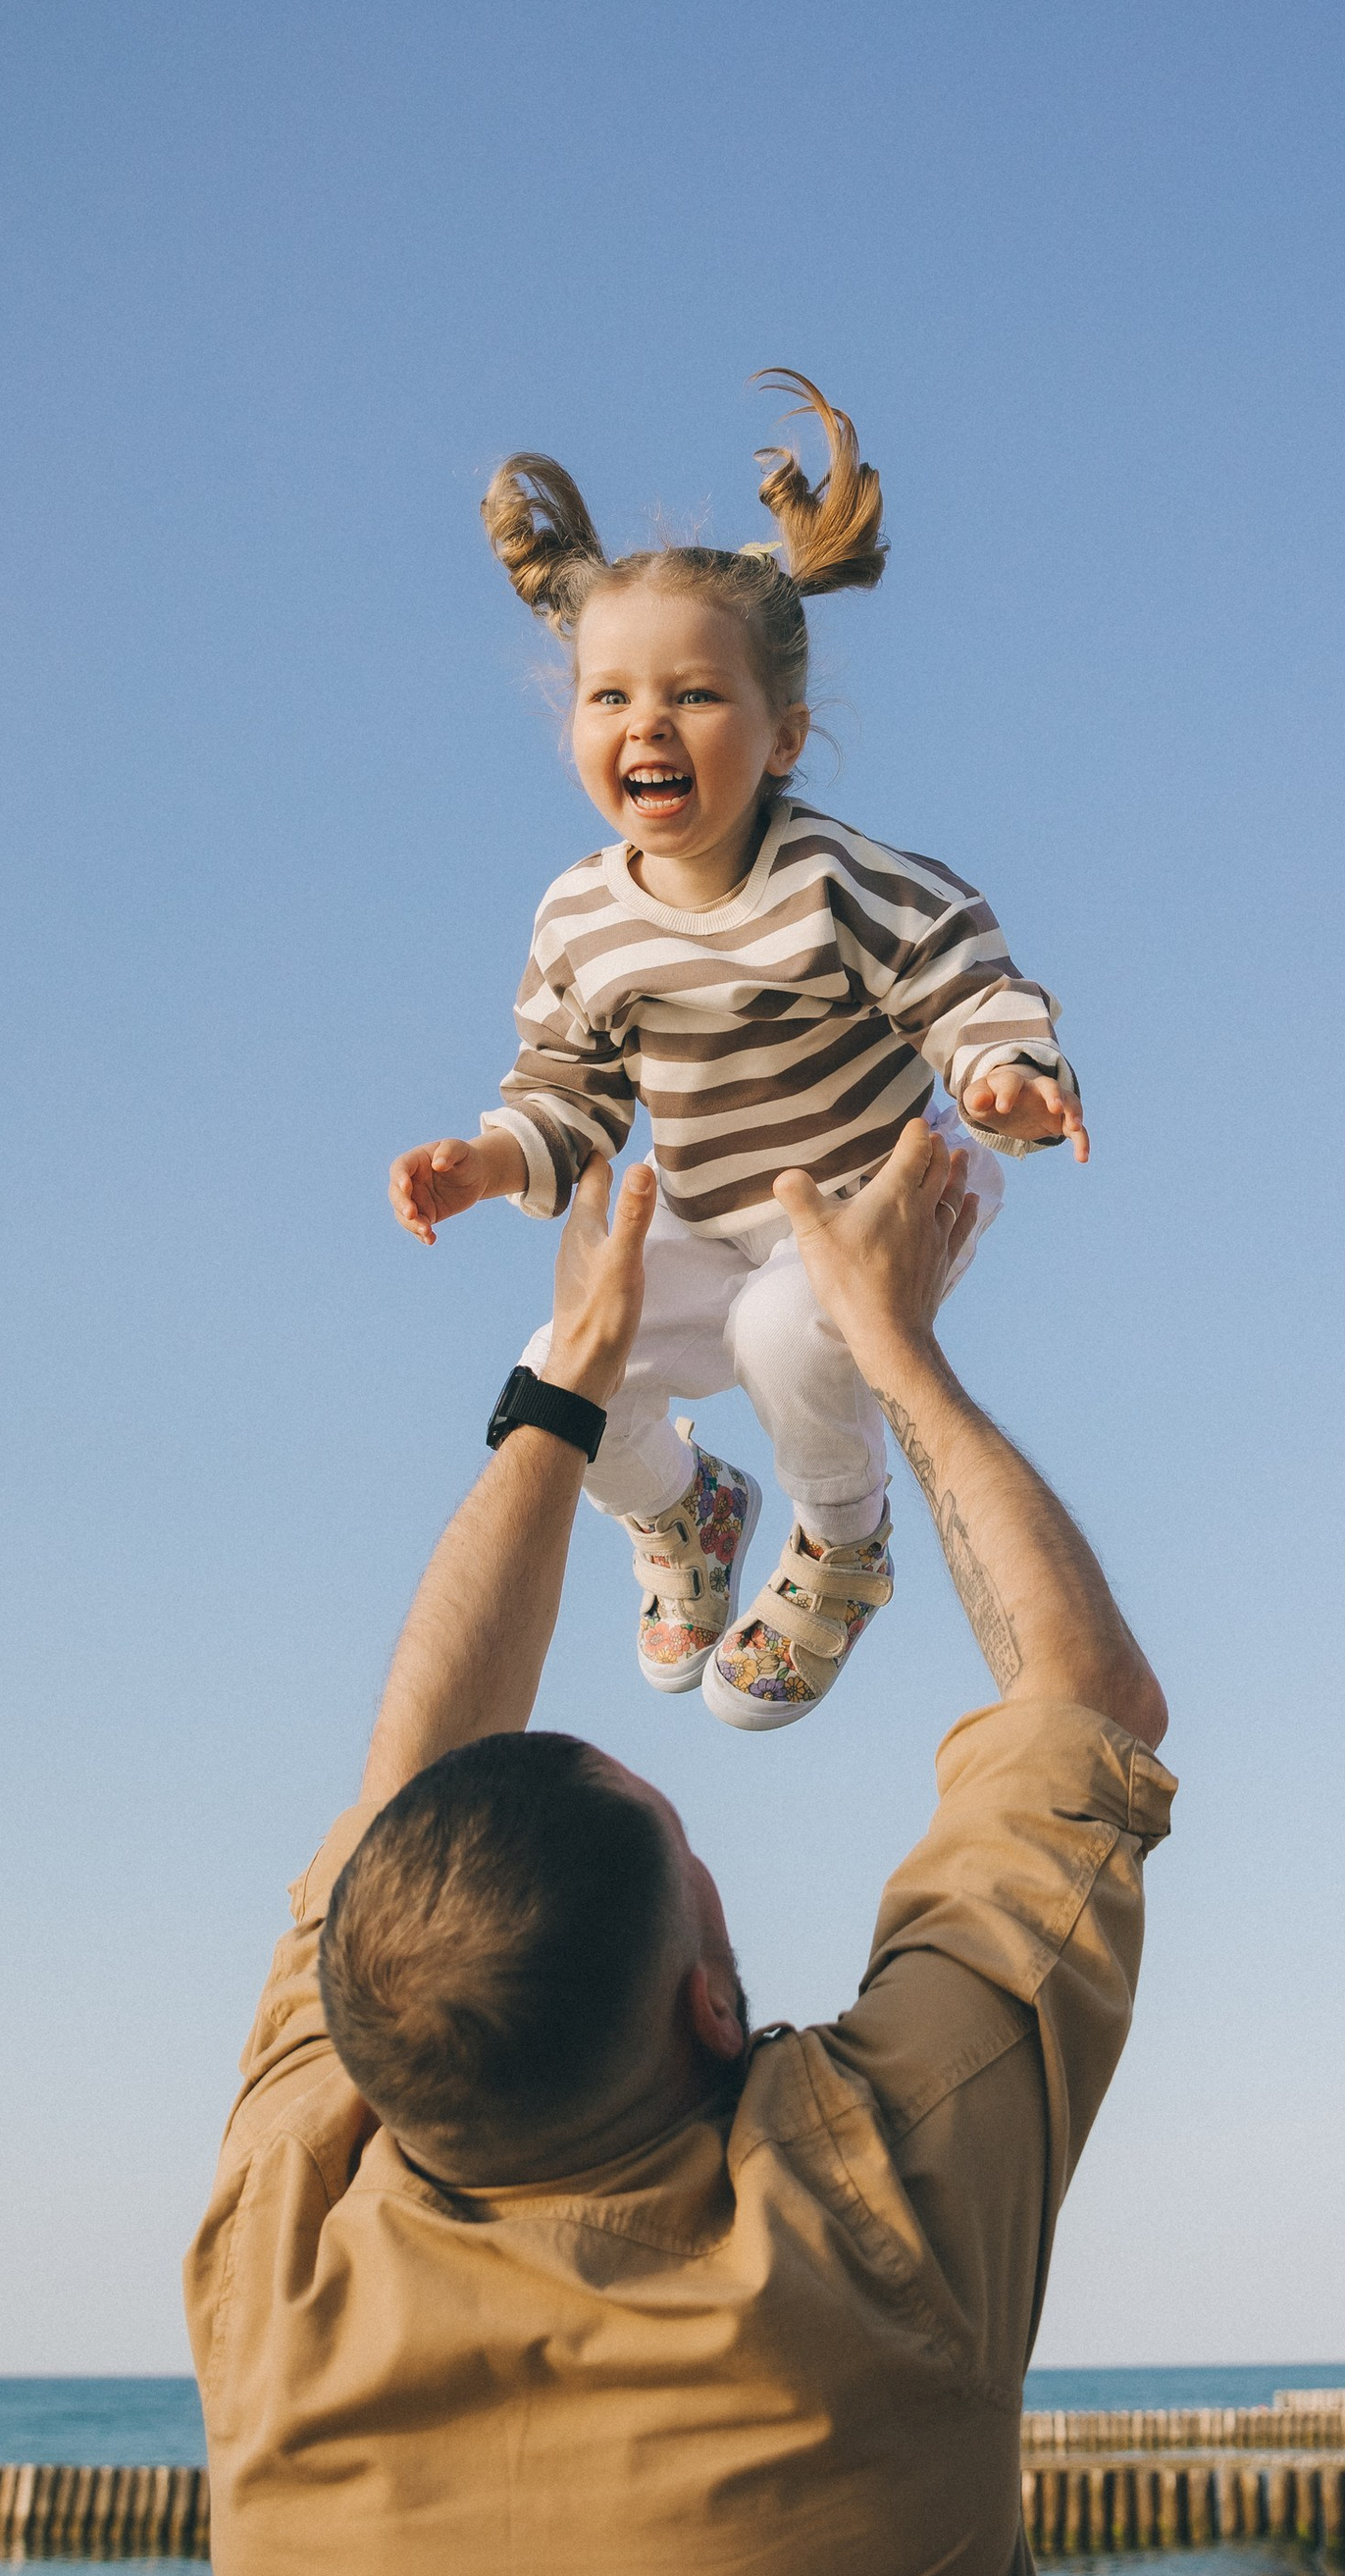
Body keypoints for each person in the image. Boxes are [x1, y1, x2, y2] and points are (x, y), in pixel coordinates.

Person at [126, 1117, 1184, 2576]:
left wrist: (561, 1386)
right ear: (714, 1996)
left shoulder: (282, 2262)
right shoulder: (879, 2220)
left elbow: (405, 1799)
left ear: (355, 2031)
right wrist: (884, 1348)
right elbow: (1084, 1707)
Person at [387, 372, 1090, 1734]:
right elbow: (568, 1090)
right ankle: (691, 1509)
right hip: (715, 1216)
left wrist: (1003, 1076)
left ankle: (842, 1539)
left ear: (784, 739)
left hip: (879, 1201)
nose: (646, 724)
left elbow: (962, 970)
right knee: (559, 1364)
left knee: (787, 1325)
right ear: (575, 724)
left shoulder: (834, 879)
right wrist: (482, 1159)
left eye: (695, 695)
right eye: (611, 696)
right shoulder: (582, 914)